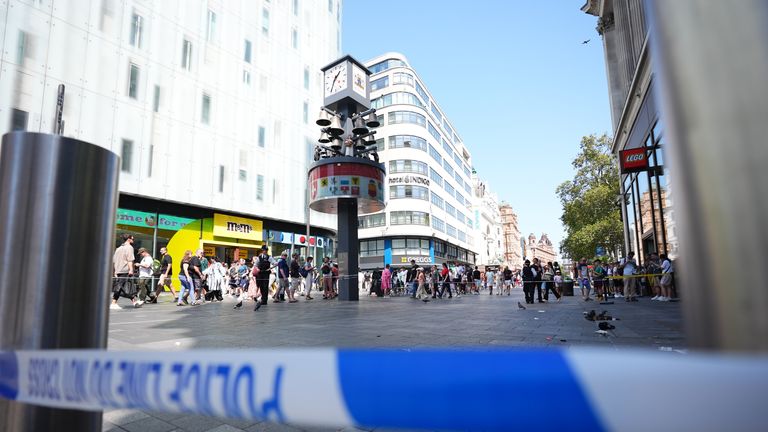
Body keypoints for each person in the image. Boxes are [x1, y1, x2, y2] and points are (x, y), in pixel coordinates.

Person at [111, 234, 142, 309]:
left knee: (127, 286)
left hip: (119, 270)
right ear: (128, 239)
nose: (133, 240)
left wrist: (115, 271)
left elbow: (114, 261)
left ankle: (135, 301)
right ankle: (113, 303)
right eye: (132, 239)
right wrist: (131, 269)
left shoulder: (118, 248)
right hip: (125, 270)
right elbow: (130, 260)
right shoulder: (129, 247)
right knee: (120, 286)